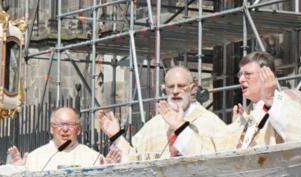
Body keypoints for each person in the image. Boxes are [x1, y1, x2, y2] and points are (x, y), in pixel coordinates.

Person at [97, 66, 228, 162]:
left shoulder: (210, 123)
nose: (175, 91)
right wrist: (116, 136)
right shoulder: (153, 126)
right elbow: (135, 163)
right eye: (171, 87)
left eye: (181, 86)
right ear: (165, 89)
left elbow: (222, 164)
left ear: (192, 88)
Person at [206, 52, 301, 150]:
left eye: (248, 74)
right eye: (240, 74)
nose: (241, 79)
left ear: (266, 75)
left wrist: (269, 100)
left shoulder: (284, 104)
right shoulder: (247, 113)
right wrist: (237, 127)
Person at [9, 107, 103, 172]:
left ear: (78, 130)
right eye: (60, 124)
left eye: (70, 125)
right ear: (51, 129)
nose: (65, 129)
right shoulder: (35, 158)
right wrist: (19, 171)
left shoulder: (94, 158)